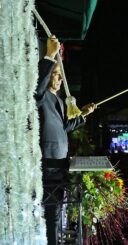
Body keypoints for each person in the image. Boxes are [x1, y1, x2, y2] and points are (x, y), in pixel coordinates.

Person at [35, 35, 97, 245]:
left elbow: (65, 127)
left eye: (60, 76)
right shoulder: (42, 97)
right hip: (48, 165)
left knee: (57, 211)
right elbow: (37, 90)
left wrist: (84, 115)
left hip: (60, 165)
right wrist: (49, 56)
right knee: (51, 214)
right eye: (56, 74)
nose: (60, 79)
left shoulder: (60, 102)